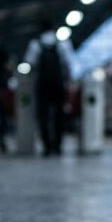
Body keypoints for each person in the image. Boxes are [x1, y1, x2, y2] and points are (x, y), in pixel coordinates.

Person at [25, 21, 72, 156]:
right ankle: (58, 145)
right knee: (58, 114)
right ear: (54, 29)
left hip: (42, 85)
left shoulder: (35, 44)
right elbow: (68, 65)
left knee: (43, 115)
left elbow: (29, 64)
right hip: (58, 84)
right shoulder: (63, 44)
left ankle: (46, 146)